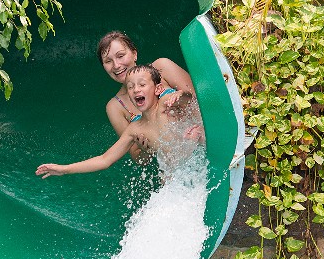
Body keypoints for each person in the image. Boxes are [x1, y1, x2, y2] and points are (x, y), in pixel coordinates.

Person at [36, 64, 203, 179]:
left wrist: (180, 94)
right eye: (131, 87)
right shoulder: (135, 129)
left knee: (197, 134)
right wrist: (64, 169)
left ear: (157, 89)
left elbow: (192, 101)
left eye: (142, 84)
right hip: (177, 170)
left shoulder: (166, 102)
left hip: (196, 154)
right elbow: (104, 159)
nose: (136, 89)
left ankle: (198, 141)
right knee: (166, 180)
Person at [97, 31, 195, 161]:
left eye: (120, 56)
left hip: (202, 136)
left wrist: (181, 101)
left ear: (134, 54)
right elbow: (138, 159)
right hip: (177, 162)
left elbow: (201, 98)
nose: (116, 65)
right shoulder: (115, 107)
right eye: (108, 61)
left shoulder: (162, 67)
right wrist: (145, 150)